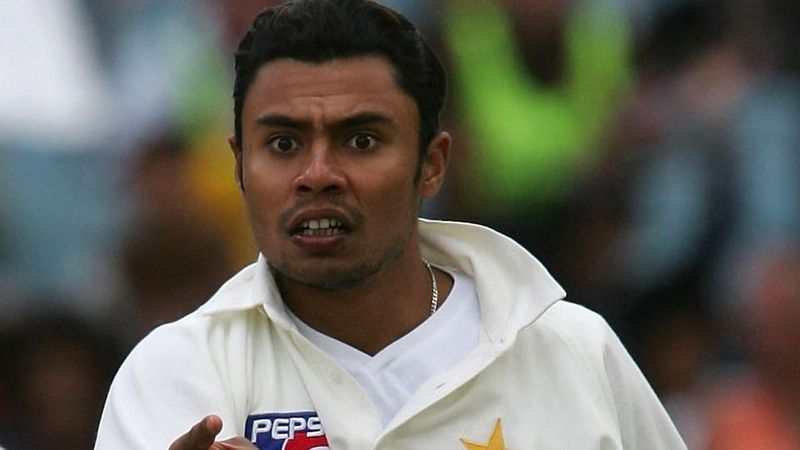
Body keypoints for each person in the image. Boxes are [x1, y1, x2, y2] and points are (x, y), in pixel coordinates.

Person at [95, 1, 686, 448]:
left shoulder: (572, 351)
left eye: (360, 140)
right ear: (239, 166)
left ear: (432, 165)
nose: (317, 175)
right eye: (283, 143)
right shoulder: (174, 373)